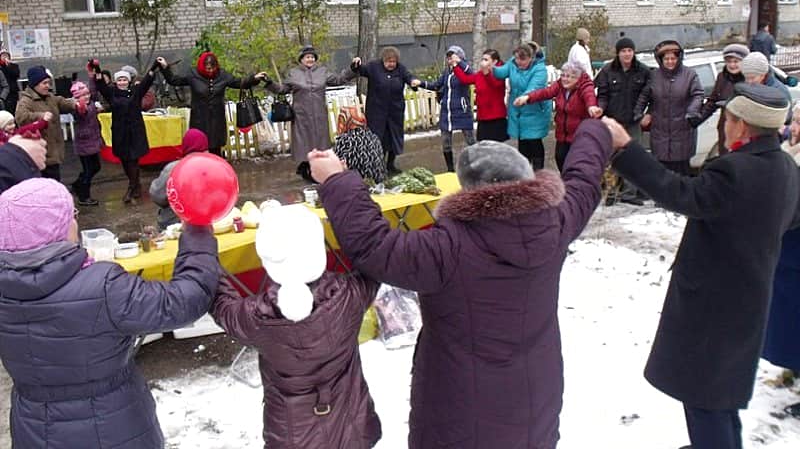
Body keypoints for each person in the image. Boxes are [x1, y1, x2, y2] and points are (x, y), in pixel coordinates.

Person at [308, 118, 614, 449]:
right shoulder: (557, 222)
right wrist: (597, 130)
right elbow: (582, 180)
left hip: (459, 408)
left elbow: (374, 244)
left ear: (470, 190)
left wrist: (337, 180)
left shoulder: (448, 248)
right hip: (536, 395)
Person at [604, 83, 800, 449]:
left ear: (740, 125)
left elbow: (679, 193)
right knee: (722, 396)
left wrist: (625, 150)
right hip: (749, 299)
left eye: (727, 119)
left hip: (714, 307)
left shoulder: (736, 171)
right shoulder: (787, 169)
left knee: (703, 399)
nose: (724, 125)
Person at [0, 177, 220, 449]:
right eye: (71, 215)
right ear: (58, 229)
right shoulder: (102, 287)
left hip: (34, 431)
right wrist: (197, 234)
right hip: (114, 428)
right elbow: (184, 301)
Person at [211, 203, 382, 449]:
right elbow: (373, 258)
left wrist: (204, 253)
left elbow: (221, 304)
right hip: (352, 427)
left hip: (292, 436)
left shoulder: (257, 317)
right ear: (317, 249)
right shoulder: (349, 295)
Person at [265, 46, 357, 182]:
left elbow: (339, 80)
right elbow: (282, 89)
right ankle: (305, 169)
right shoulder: (294, 73)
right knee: (304, 144)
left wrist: (352, 69)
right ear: (301, 59)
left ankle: (318, 170)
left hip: (319, 114)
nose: (310, 59)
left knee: (320, 143)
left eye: (313, 57)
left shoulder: (322, 71)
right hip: (301, 115)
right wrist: (269, 82)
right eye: (307, 57)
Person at [762, 102, 800, 411]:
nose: (794, 127)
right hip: (786, 250)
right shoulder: (789, 150)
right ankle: (794, 365)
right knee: (788, 316)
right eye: (795, 121)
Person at [158, 53, 267, 156]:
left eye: (212, 67)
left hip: (217, 120)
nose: (210, 70)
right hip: (199, 119)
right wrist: (165, 67)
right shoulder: (193, 75)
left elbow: (239, 83)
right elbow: (174, 80)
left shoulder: (222, 75)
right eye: (207, 67)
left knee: (216, 148)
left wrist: (254, 78)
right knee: (200, 148)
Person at [633, 40, 704, 176]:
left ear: (679, 58)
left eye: (673, 58)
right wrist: (639, 115)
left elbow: (698, 95)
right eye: (666, 59)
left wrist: (692, 111)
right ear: (661, 60)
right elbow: (644, 97)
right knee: (662, 176)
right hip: (660, 134)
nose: (670, 61)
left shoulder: (690, 75)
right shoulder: (654, 76)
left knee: (681, 176)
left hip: (682, 132)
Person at [515, 61, 602, 171]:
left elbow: (589, 96)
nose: (565, 79)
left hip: (579, 136)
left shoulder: (585, 86)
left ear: (578, 78)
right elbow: (546, 92)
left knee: (576, 166)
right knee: (560, 159)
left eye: (569, 76)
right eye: (563, 75)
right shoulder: (560, 85)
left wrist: (592, 107)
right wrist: (527, 97)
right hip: (562, 135)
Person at [594, 36, 651, 204]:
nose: (627, 54)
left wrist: (648, 113)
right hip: (613, 121)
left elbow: (652, 95)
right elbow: (602, 94)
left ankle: (629, 193)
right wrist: (600, 109)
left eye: (629, 51)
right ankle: (611, 193)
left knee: (633, 157)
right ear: (618, 53)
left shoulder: (643, 71)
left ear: (634, 52)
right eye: (623, 51)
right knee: (612, 158)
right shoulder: (607, 70)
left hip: (633, 121)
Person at [92, 61, 158, 203]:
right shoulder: (112, 93)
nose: (122, 82)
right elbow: (100, 84)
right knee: (124, 160)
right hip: (120, 132)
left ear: (128, 81)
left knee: (133, 160)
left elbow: (147, 81)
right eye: (119, 80)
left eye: (124, 79)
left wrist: (153, 67)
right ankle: (136, 185)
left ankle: (131, 188)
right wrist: (97, 68)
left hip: (135, 132)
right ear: (116, 82)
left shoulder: (136, 91)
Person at [350, 46, 421, 175]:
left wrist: (413, 82)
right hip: (376, 112)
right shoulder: (374, 67)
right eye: (388, 62)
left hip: (395, 112)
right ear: (383, 60)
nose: (391, 64)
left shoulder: (401, 69)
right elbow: (360, 70)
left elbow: (409, 77)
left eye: (393, 62)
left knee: (393, 138)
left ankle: (390, 165)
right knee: (378, 139)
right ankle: (378, 166)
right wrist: (356, 64)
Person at [418, 46, 477, 172]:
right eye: (449, 57)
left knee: (470, 140)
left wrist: (459, 63)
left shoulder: (464, 68)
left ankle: (476, 165)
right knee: (445, 142)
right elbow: (436, 85)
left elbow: (472, 75)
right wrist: (421, 84)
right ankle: (450, 169)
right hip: (447, 112)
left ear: (460, 56)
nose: (450, 59)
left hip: (462, 110)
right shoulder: (447, 72)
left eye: (453, 56)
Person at [493, 41, 551, 169]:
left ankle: (538, 172)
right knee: (523, 141)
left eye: (522, 60)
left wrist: (526, 97)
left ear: (531, 58)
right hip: (518, 109)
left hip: (535, 110)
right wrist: (492, 68)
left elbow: (535, 86)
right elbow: (502, 72)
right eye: (517, 58)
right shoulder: (514, 62)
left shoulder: (539, 68)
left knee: (534, 141)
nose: (518, 62)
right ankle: (525, 173)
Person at [15, 65, 77, 181]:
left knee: (55, 180)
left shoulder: (49, 97)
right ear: (35, 84)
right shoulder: (26, 101)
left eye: (49, 83)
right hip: (41, 154)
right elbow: (21, 118)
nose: (48, 86)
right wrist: (40, 116)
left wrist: (76, 104)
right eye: (44, 83)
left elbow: (62, 102)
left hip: (54, 151)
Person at [150, 128, 210, 230]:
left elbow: (157, 195)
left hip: (174, 223)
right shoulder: (213, 167)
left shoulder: (173, 169)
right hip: (208, 221)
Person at [696, 43, 748, 157]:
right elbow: (713, 101)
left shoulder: (750, 79)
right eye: (729, 61)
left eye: (736, 61)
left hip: (744, 129)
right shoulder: (722, 77)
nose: (732, 65)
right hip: (725, 128)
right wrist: (698, 119)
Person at [452, 48, 508, 142]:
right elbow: (465, 79)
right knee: (484, 148)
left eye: (486, 60)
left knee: (496, 148)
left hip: (496, 118)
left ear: (494, 62)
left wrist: (487, 74)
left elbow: (495, 84)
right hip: (483, 118)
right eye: (482, 59)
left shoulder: (500, 73)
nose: (483, 62)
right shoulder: (480, 74)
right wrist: (455, 65)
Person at [331, 105, 387, 183]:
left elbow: (336, 165)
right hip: (378, 182)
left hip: (356, 183)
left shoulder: (344, 141)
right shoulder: (373, 136)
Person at [69, 81, 103, 206]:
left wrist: (92, 75)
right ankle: (84, 196)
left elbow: (94, 91)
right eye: (83, 95)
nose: (87, 96)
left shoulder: (92, 103)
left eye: (87, 94)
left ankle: (77, 185)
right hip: (84, 143)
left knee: (96, 167)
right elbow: (81, 114)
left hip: (93, 140)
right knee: (88, 170)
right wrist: (81, 107)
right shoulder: (77, 107)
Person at [740, 51, 792, 122]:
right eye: (746, 77)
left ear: (763, 75)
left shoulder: (779, 91)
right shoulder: (749, 87)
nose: (749, 81)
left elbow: (786, 117)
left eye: (752, 78)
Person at [0, 48, 21, 115]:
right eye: (3, 55)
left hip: (12, 91)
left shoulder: (14, 66)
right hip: (3, 92)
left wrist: (9, 66)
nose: (5, 57)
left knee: (12, 110)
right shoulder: (0, 67)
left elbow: (16, 75)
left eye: (6, 55)